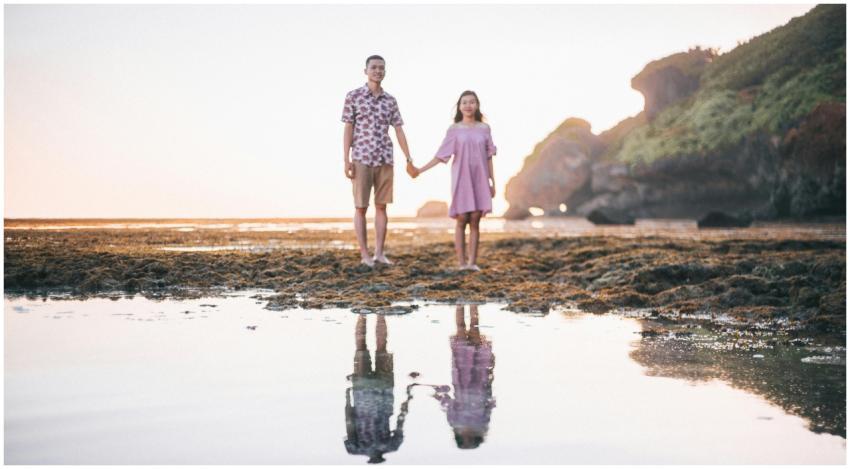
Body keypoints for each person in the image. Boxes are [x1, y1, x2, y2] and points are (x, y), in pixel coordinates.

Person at [341, 55, 416, 267]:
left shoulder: (390, 101)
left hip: (385, 158)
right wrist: (346, 159)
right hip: (361, 158)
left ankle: (379, 253)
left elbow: (399, 130)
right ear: (365, 71)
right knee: (360, 207)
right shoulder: (353, 96)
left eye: (381, 68)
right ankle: (364, 254)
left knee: (382, 207)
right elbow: (348, 128)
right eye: (374, 67)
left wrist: (408, 158)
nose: (378, 71)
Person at [411, 91, 496, 271]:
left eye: (472, 102)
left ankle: (472, 263)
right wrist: (420, 170)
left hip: (480, 177)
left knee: (475, 219)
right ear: (459, 107)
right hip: (462, 177)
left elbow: (489, 157)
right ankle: (461, 263)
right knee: (462, 218)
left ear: (477, 105)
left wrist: (492, 182)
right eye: (464, 102)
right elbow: (441, 155)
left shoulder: (484, 129)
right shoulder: (454, 130)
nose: (468, 105)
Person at [432, 305, 496, 449]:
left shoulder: (456, 423)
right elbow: (489, 401)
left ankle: (460, 303)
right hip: (480, 379)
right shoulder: (482, 423)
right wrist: (491, 373)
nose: (467, 438)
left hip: (462, 378)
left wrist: (439, 394)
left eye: (464, 441)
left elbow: (448, 404)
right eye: (469, 441)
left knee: (462, 330)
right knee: (474, 329)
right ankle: (472, 303)